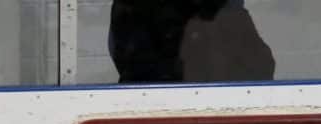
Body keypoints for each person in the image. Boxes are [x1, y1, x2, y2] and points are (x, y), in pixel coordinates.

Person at [108, 0, 274, 84]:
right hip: (152, 104)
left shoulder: (231, 17)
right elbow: (130, 64)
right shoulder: (137, 11)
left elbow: (261, 66)